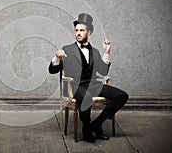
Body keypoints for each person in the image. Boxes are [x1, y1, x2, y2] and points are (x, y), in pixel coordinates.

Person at [48, 13, 128, 143]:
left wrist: (106, 52)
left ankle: (96, 124)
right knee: (86, 96)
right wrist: (57, 58)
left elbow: (102, 72)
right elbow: (52, 70)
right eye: (76, 30)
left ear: (89, 32)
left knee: (122, 96)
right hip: (74, 86)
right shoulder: (67, 49)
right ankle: (86, 129)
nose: (78, 33)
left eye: (82, 30)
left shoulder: (95, 51)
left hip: (92, 84)